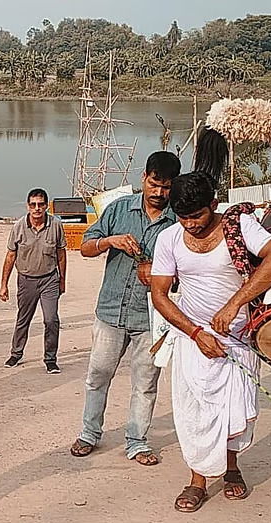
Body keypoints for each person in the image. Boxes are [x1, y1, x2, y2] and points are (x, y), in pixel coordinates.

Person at [150, 172, 271, 513]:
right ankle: (197, 481)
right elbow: (160, 295)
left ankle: (231, 468)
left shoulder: (239, 227)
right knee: (196, 412)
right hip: (192, 339)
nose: (191, 225)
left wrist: (234, 304)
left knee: (232, 411)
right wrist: (197, 334)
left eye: (197, 216)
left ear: (213, 205)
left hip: (239, 339)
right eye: (183, 218)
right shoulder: (169, 238)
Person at [69, 151, 181, 465]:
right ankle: (90, 434)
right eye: (155, 184)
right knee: (98, 375)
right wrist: (111, 241)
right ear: (144, 178)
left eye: (167, 187)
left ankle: (137, 442)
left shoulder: (178, 222)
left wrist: (162, 276)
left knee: (145, 384)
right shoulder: (118, 209)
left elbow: (185, 271)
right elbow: (86, 247)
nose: (159, 193)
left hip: (151, 318)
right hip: (110, 312)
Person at [0, 188, 67, 374]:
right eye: (33, 205)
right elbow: (10, 256)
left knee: (51, 319)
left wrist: (62, 279)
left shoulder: (56, 225)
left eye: (41, 205)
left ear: (46, 206)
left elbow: (61, 254)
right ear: (28, 206)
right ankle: (16, 353)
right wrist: (3, 284)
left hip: (49, 279)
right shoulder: (19, 227)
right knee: (23, 319)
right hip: (26, 280)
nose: (37, 209)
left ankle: (51, 359)